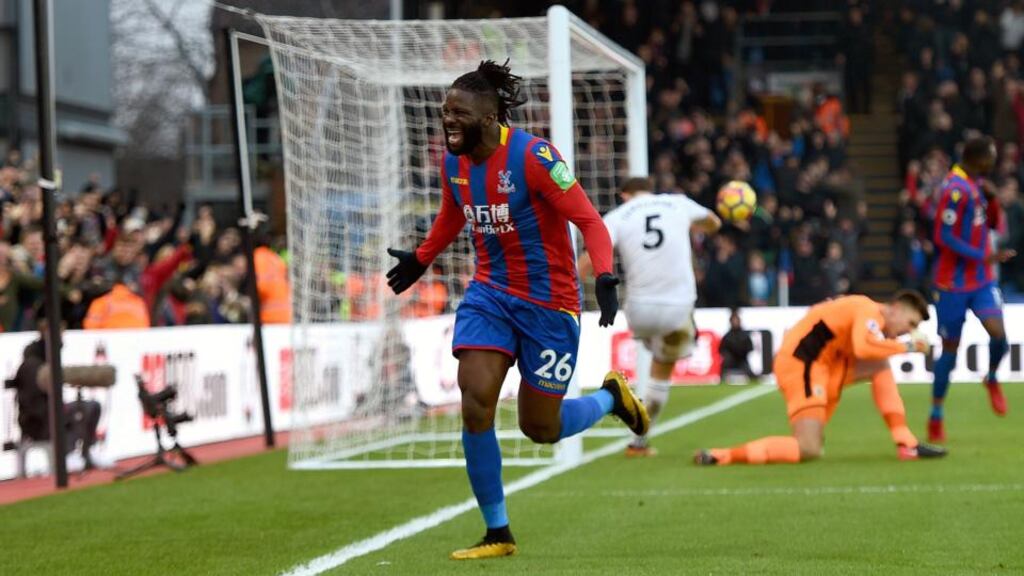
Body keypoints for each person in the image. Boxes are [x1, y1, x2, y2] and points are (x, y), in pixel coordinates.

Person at [386, 60, 648, 560]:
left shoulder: (534, 156)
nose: (448, 122)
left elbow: (590, 220)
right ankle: (497, 531)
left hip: (550, 305)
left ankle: (611, 399)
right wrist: (422, 258)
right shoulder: (452, 163)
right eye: (445, 113)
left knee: (540, 429)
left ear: (488, 118)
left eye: (458, 113)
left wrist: (607, 273)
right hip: (489, 293)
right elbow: (451, 214)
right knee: (476, 399)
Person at [694, 291, 947, 466]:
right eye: (910, 322)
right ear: (896, 309)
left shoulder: (867, 312)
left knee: (879, 365)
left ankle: (906, 442)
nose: (909, 331)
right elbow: (862, 347)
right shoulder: (869, 311)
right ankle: (722, 455)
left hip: (825, 366)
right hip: (802, 365)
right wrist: (909, 347)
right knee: (808, 448)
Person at [579, 177, 720, 456]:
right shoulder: (678, 203)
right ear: (649, 190)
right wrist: (697, 225)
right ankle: (639, 442)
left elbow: (586, 263)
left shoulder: (618, 215)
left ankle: (631, 415)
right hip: (677, 309)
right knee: (661, 373)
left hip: (638, 310)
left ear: (624, 195)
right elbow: (714, 222)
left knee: (650, 349)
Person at [929, 136, 1014, 443]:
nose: (993, 164)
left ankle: (991, 377)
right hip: (952, 282)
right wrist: (984, 255)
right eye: (990, 159)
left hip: (981, 279)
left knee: (1000, 336)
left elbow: (989, 225)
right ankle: (936, 413)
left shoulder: (975, 185)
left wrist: (992, 200)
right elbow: (943, 237)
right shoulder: (954, 189)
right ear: (977, 159)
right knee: (949, 351)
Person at [13, 305, 111, 472]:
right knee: (70, 413)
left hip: (51, 410)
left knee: (93, 406)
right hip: (36, 419)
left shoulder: (49, 357)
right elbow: (33, 398)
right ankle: (67, 454)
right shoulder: (32, 361)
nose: (62, 338)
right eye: (59, 333)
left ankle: (88, 451)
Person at [719, 308, 754, 384]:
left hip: (742, 361)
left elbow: (750, 348)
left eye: (736, 320)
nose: (735, 322)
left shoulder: (745, 335)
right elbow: (721, 350)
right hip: (730, 361)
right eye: (733, 321)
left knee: (750, 373)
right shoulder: (727, 336)